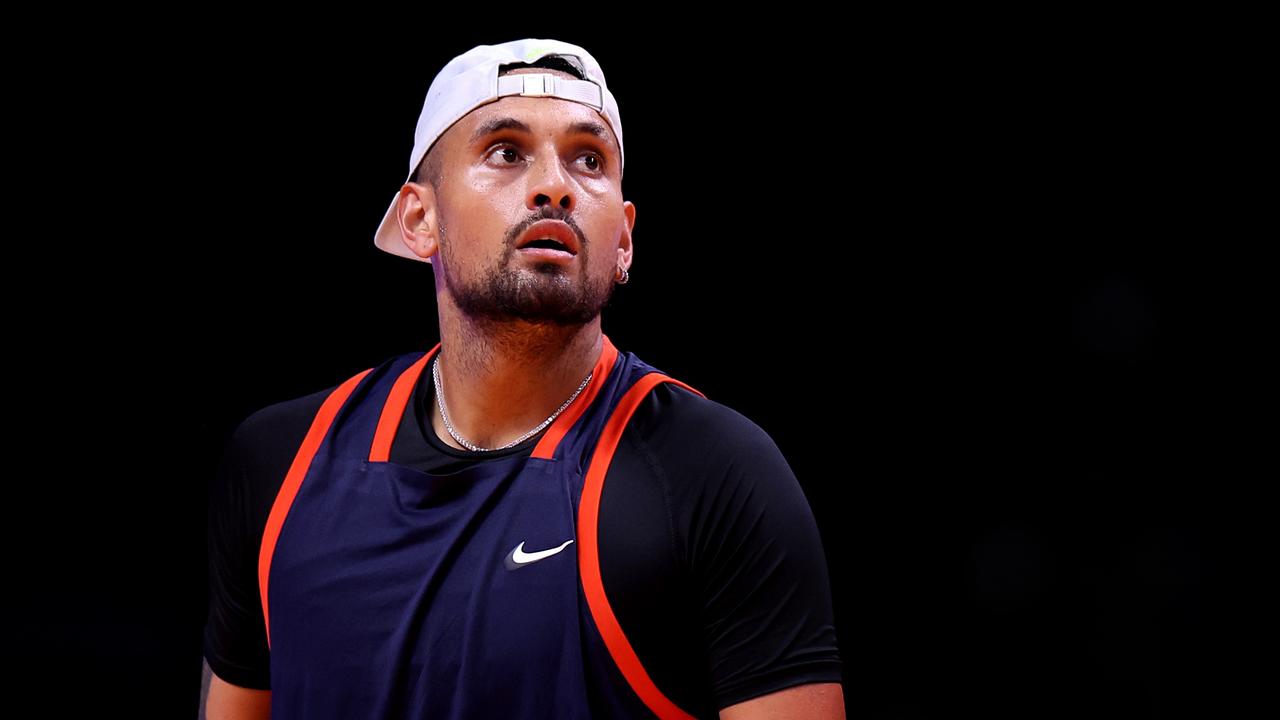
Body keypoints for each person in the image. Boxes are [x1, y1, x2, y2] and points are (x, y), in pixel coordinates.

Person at [202, 38, 843, 719]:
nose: (555, 184)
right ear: (421, 219)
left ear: (624, 239)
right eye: (506, 152)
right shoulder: (282, 461)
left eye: (589, 159)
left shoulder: (714, 471)